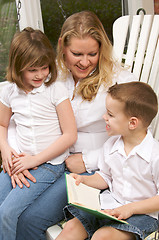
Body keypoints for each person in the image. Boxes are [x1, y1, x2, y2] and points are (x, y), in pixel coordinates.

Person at [12, 11, 137, 240]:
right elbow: (18, 112)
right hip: (50, 161)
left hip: (92, 169)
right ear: (62, 46)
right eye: (76, 53)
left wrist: (88, 160)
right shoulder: (50, 75)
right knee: (14, 211)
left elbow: (135, 139)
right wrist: (14, 151)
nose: (84, 61)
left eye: (93, 53)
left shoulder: (119, 81)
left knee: (31, 219)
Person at [0, 27, 77, 240]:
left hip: (49, 165)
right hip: (20, 161)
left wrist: (34, 160)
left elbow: (70, 135)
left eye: (44, 68)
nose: (40, 75)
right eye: (33, 69)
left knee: (7, 212)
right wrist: (6, 151)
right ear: (18, 67)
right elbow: (2, 125)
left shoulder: (55, 90)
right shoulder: (9, 92)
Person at [57, 81, 159, 240]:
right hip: (110, 205)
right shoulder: (111, 145)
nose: (104, 117)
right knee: (71, 227)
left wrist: (130, 208)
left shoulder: (155, 155)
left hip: (142, 215)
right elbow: (105, 177)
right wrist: (84, 179)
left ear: (132, 123)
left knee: (103, 236)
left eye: (110, 115)